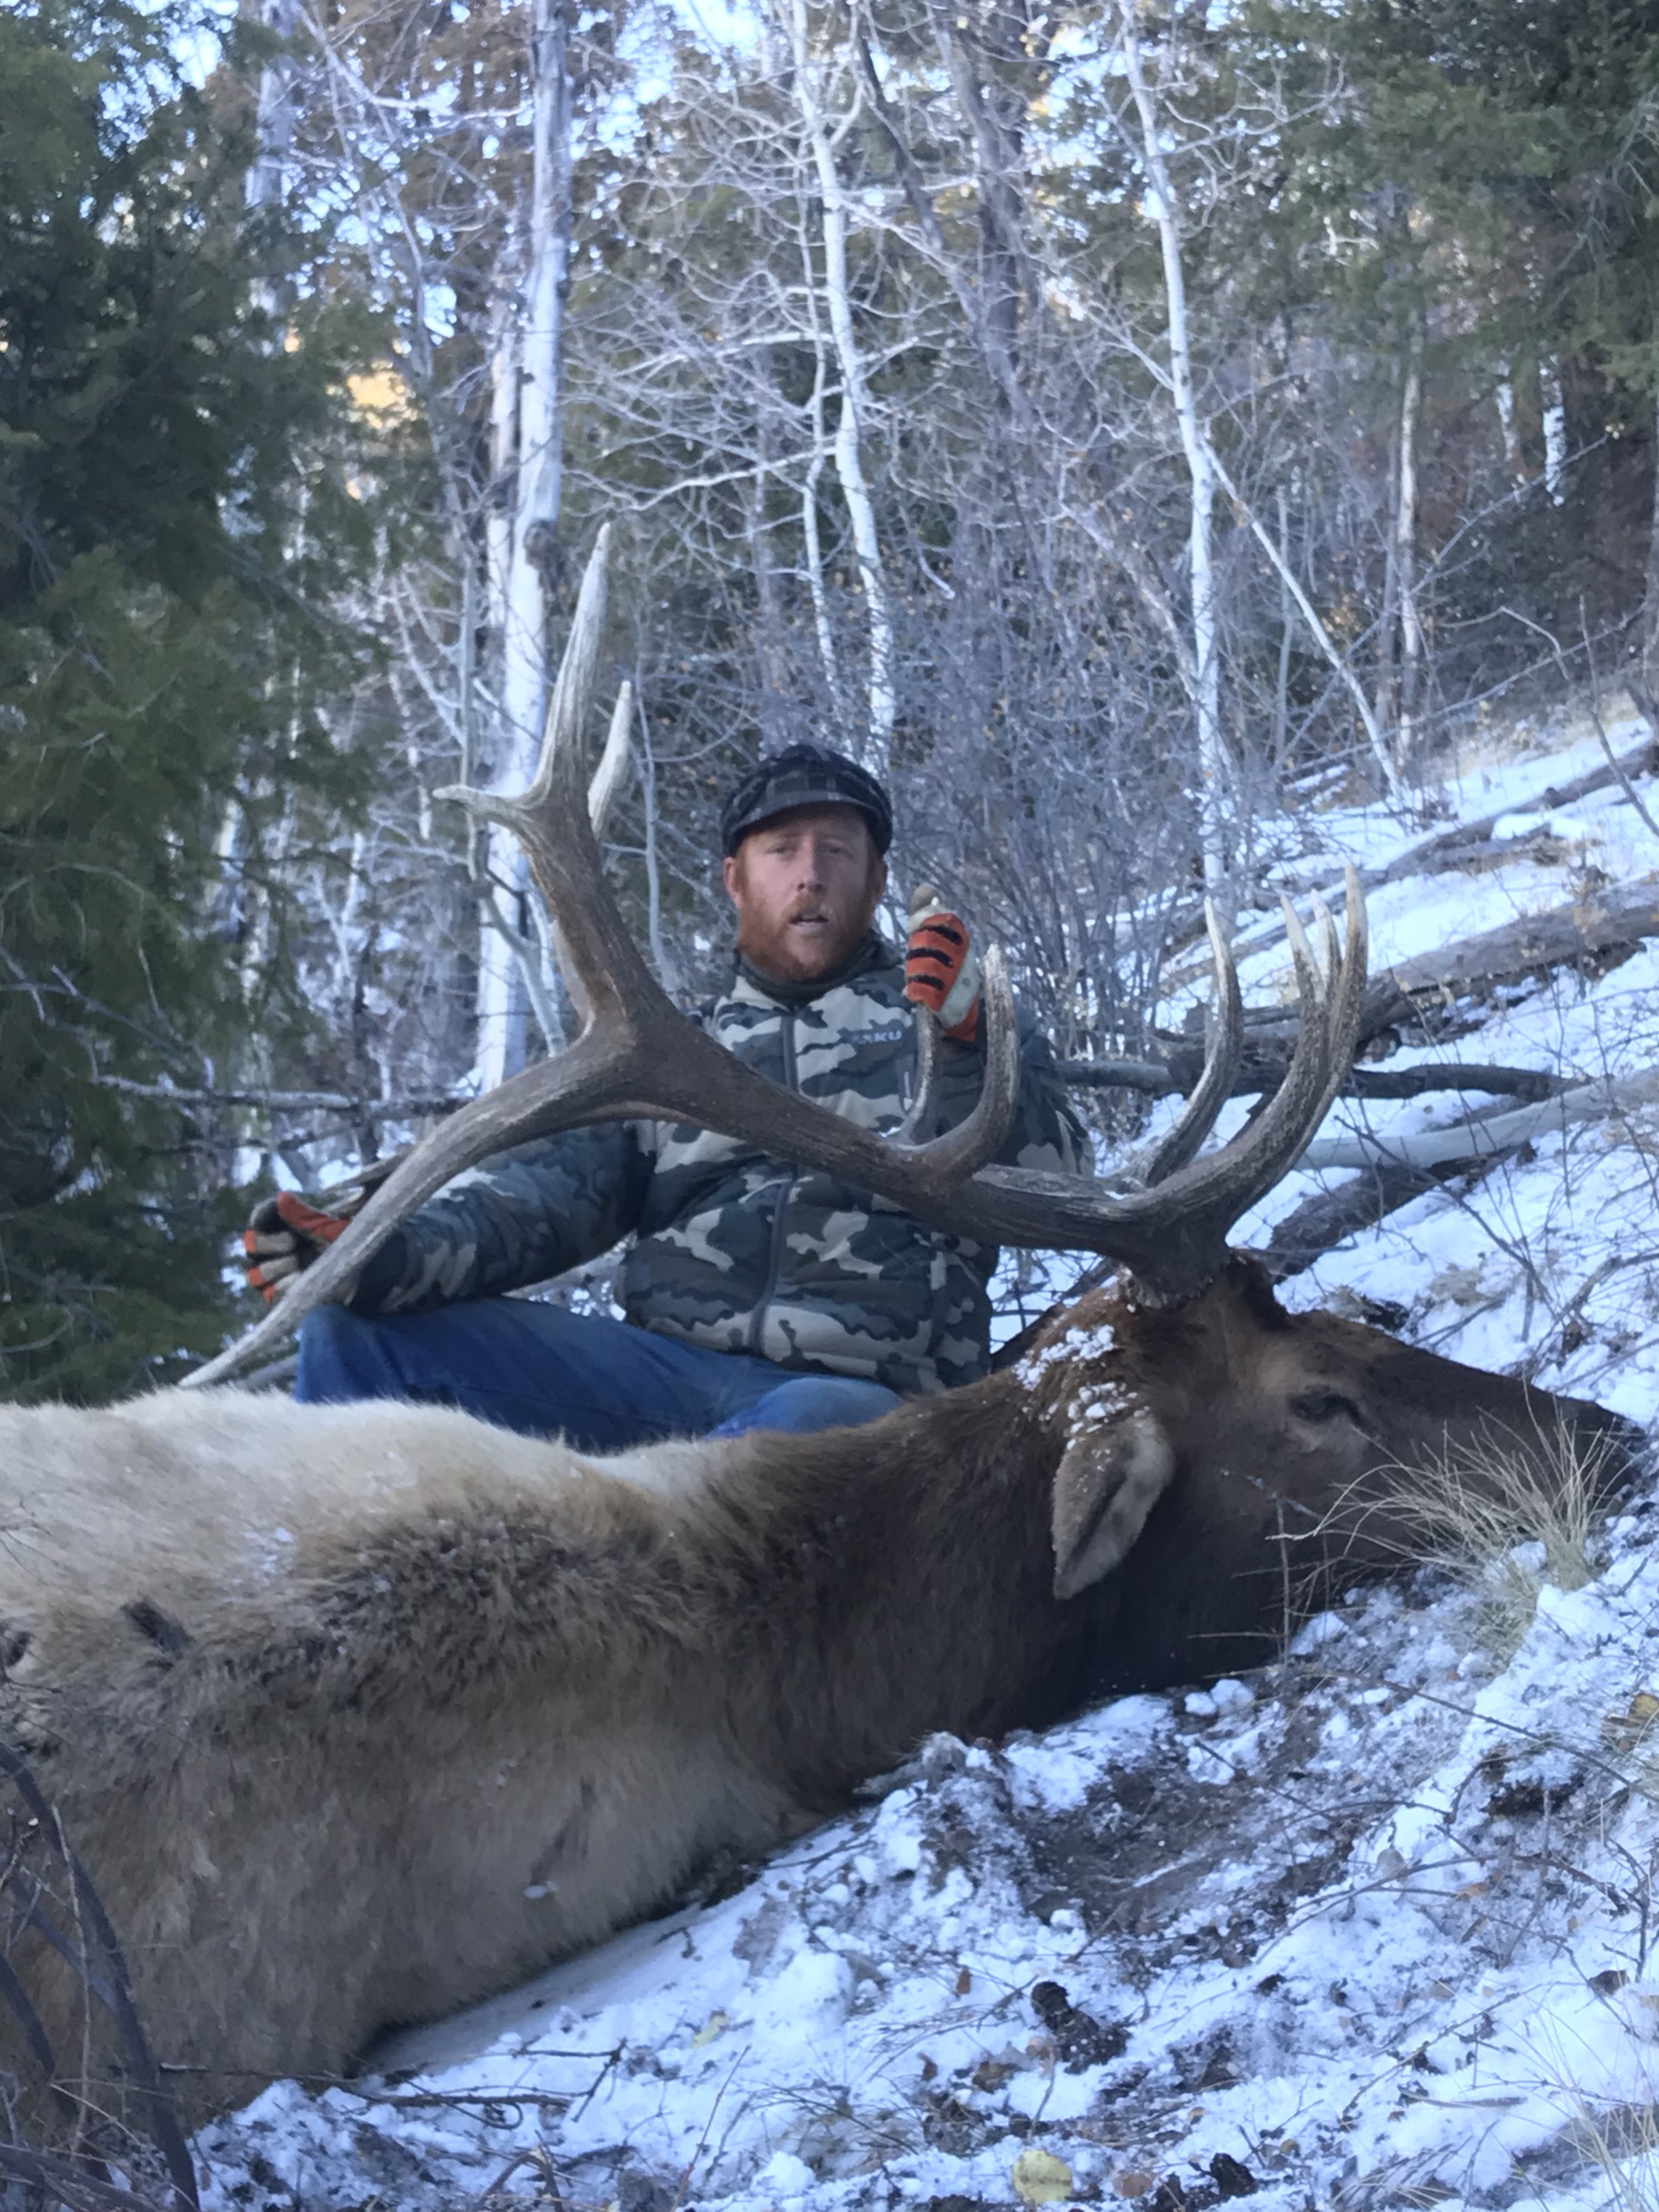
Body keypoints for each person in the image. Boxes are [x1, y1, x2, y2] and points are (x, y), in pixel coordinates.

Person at [244, 742, 1089, 1449]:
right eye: (781, 851)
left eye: (837, 851)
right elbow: (533, 1200)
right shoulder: (662, 1055)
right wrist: (379, 1257)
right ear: (734, 880)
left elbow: (1061, 1182)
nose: (810, 876)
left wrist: (974, 1041)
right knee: (361, 1344)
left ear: (876, 882)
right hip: (665, 1385)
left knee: (801, 1430)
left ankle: (634, 1580)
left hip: (864, 1403)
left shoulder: (949, 1018)